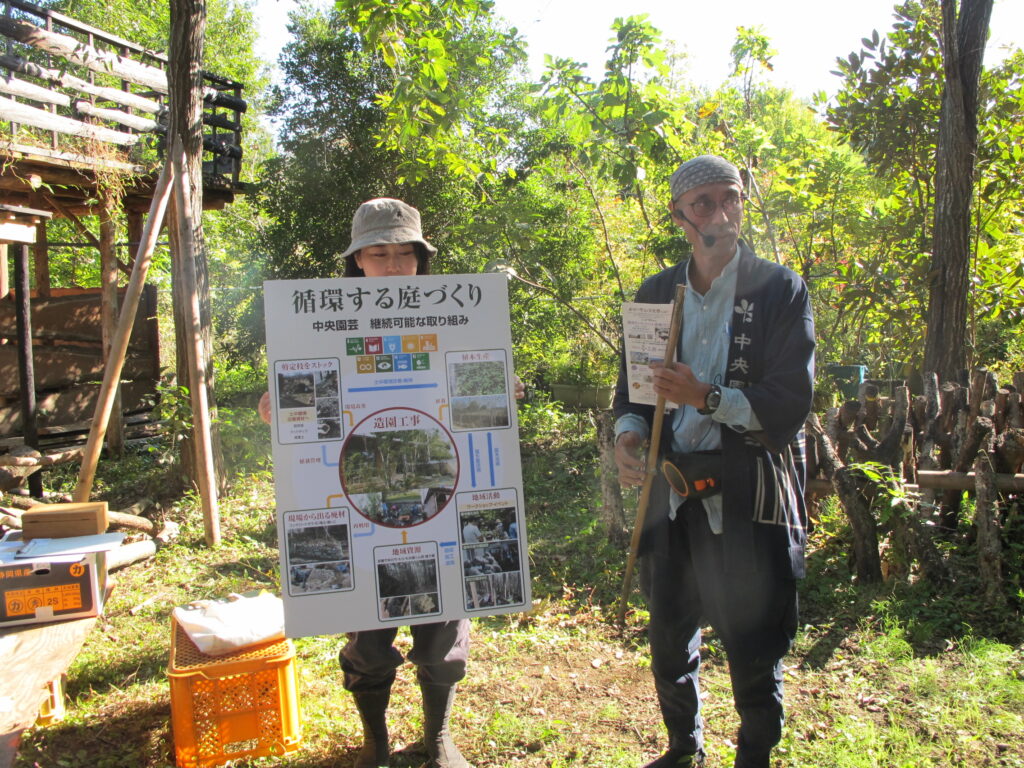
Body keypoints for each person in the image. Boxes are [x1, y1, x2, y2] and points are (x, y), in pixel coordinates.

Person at [259, 198, 522, 768]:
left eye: (406, 254)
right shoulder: (319, 319)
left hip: (441, 509)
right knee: (367, 637)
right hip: (359, 517)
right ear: (357, 262)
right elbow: (302, 394)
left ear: (422, 259)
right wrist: (279, 404)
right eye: (380, 254)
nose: (394, 266)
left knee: (443, 630)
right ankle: (375, 738)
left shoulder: (456, 312)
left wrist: (496, 385)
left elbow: (476, 381)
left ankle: (438, 734)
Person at [613, 156, 815, 768]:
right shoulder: (654, 293)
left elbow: (790, 401)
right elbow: (634, 394)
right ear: (679, 216)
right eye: (702, 204)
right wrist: (627, 438)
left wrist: (706, 397)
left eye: (730, 198)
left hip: (746, 494)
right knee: (670, 637)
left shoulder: (777, 289)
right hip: (670, 495)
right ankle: (684, 750)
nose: (720, 214)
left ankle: (754, 757)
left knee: (754, 644)